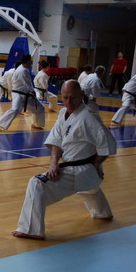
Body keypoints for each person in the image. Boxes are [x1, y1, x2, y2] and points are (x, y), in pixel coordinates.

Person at [12, 80, 116, 240]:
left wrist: (96, 164)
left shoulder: (89, 117)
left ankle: (32, 229)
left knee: (37, 183)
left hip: (80, 171)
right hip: (83, 173)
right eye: (65, 98)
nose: (68, 102)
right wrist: (53, 164)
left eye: (72, 98)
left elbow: (108, 143)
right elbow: (56, 141)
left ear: (82, 95)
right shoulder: (63, 113)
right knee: (90, 187)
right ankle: (102, 212)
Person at [0, 54, 45, 132]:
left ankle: (36, 124)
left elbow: (28, 84)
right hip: (18, 94)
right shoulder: (22, 70)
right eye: (30, 61)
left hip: (25, 94)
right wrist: (33, 92)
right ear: (28, 61)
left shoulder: (23, 68)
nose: (31, 62)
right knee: (15, 109)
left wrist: (31, 92)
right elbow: (28, 84)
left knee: (39, 108)